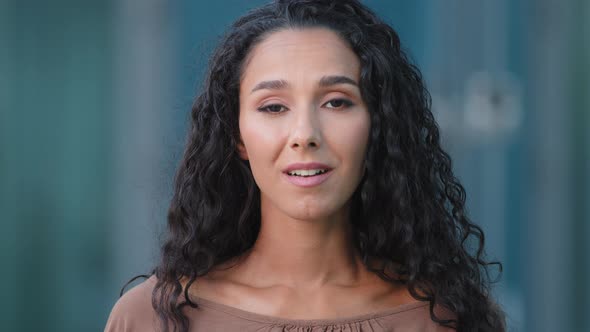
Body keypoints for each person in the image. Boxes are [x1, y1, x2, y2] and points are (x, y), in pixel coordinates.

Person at [105, 0, 505, 331]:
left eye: (336, 102)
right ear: (238, 136)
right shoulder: (153, 318)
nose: (305, 134)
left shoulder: (444, 317)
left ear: (377, 126)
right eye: (274, 107)